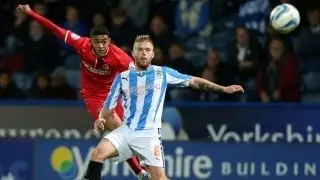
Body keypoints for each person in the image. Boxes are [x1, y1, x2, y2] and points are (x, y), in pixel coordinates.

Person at [82, 35, 244, 180]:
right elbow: (108, 105)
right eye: (140, 50)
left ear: (153, 54)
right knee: (98, 153)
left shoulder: (162, 73)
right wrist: (101, 118)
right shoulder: (122, 78)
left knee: (159, 178)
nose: (144, 53)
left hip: (149, 135)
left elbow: (195, 81)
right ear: (133, 53)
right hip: (126, 131)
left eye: (147, 50)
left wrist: (223, 88)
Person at [16, 4, 150, 180]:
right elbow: (54, 28)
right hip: (92, 97)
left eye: (104, 41)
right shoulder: (81, 44)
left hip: (113, 97)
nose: (101, 46)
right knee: (118, 128)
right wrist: (30, 13)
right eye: (97, 42)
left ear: (109, 41)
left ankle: (136, 172)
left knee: (124, 134)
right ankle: (140, 172)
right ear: (91, 41)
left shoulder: (119, 57)